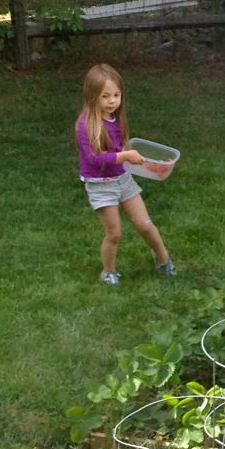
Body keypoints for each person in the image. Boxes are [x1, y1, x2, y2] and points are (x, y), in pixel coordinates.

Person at [75, 63, 176, 285]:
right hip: (101, 185)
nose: (112, 101)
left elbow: (125, 153)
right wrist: (126, 155)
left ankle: (164, 261)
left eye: (116, 95)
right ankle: (108, 272)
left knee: (145, 224)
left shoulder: (115, 118)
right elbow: (95, 159)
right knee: (114, 234)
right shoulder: (85, 124)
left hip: (123, 179)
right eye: (105, 96)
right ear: (91, 95)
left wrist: (153, 166)